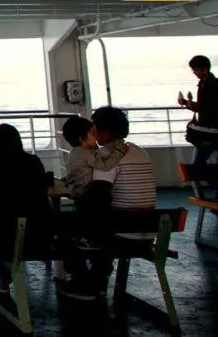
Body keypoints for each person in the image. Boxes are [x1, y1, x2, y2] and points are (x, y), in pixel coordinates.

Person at [60, 107, 156, 301]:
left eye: (94, 128)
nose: (93, 132)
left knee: (67, 230)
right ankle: (99, 281)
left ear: (103, 132)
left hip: (121, 233)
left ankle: (84, 285)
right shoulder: (140, 151)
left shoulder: (105, 156)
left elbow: (97, 197)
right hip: (150, 230)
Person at [0, 124, 52, 294]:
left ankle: (2, 279)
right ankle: (3, 278)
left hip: (7, 237)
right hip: (40, 236)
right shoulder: (34, 162)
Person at [178, 55, 218, 198]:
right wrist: (187, 103)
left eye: (196, 69)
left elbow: (209, 109)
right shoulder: (210, 84)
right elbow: (207, 108)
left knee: (203, 166)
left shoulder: (212, 86)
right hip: (217, 132)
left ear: (205, 69)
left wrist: (188, 103)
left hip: (214, 133)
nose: (194, 72)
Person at [61, 116, 128, 205]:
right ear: (82, 138)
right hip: (85, 195)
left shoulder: (75, 151)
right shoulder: (85, 153)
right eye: (92, 133)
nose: (96, 136)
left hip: (75, 191)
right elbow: (105, 166)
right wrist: (119, 150)